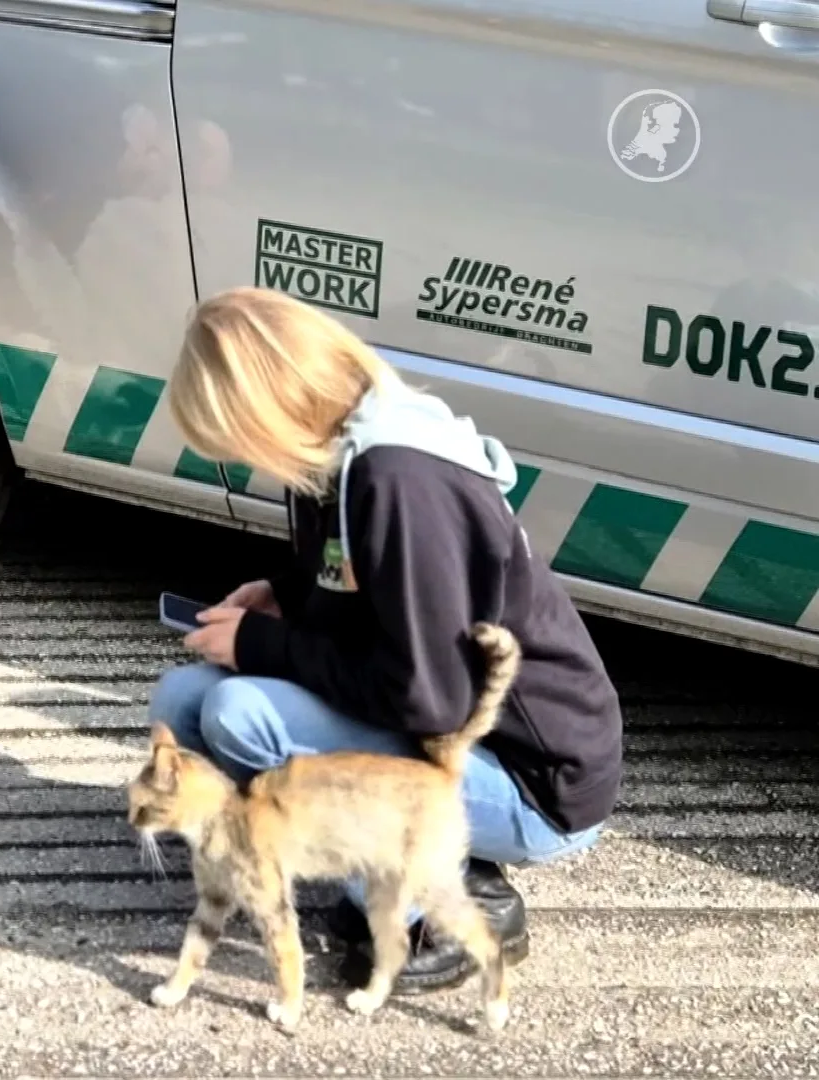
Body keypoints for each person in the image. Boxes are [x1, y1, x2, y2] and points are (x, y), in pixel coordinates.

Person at [150, 287, 624, 994]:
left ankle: (462, 899)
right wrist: (285, 593)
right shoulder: (336, 447)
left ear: (265, 406)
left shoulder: (396, 478)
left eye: (237, 438)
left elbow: (428, 698)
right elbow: (359, 592)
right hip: (450, 738)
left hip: (534, 781)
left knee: (236, 714)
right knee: (183, 699)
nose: (246, 460)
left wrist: (264, 648)